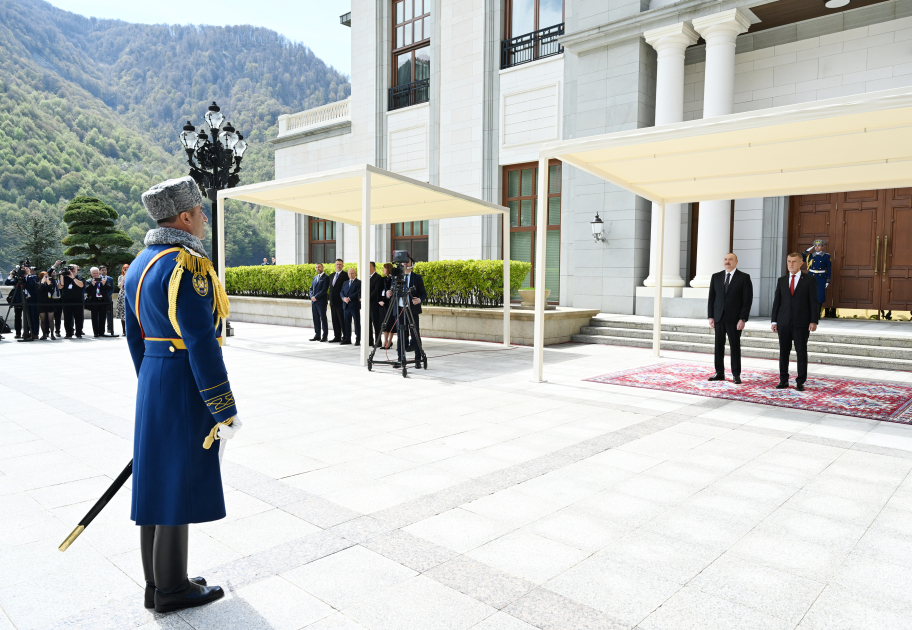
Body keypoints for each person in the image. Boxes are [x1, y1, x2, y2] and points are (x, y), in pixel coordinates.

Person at [125, 175, 239, 614]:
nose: (205, 219)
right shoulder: (186, 266)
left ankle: (159, 582)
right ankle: (172, 590)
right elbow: (202, 342)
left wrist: (151, 384)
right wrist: (223, 406)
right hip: (183, 382)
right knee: (179, 479)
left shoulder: (139, 264)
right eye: (201, 212)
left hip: (154, 381)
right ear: (186, 216)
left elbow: (134, 337)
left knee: (156, 479)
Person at [772, 253, 819, 391]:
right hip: (783, 322)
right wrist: (774, 321)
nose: (790, 264)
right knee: (783, 352)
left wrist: (813, 321)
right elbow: (777, 302)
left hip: (801, 322)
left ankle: (800, 381)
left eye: (794, 261)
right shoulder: (781, 280)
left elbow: (813, 302)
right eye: (788, 261)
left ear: (801, 263)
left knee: (801, 352)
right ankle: (783, 380)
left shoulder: (809, 280)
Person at [707, 253, 753, 384]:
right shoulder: (716, 277)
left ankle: (736, 374)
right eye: (726, 259)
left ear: (736, 262)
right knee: (718, 346)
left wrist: (743, 319)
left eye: (730, 259)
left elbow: (747, 300)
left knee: (734, 346)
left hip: (735, 320)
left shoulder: (744, 277)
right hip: (718, 318)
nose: (727, 262)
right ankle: (719, 373)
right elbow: (712, 298)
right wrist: (711, 316)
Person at [387, 262, 426, 363]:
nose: (404, 263)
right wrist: (388, 293)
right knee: (401, 335)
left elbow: (424, 294)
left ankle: (418, 359)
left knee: (415, 335)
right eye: (402, 262)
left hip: (412, 310)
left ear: (411, 264)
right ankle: (400, 358)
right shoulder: (396, 277)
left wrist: (419, 300)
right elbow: (390, 292)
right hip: (399, 309)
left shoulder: (416, 277)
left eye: (406, 261)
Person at [804, 239, 833, 318]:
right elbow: (801, 257)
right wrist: (806, 251)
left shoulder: (826, 256)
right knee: (809, 295)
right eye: (815, 246)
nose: (817, 247)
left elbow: (829, 268)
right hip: (811, 276)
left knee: (819, 296)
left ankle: (817, 314)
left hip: (821, 277)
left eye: (819, 245)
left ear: (822, 247)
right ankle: (809, 313)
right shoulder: (810, 255)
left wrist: (828, 280)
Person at [58, 264, 86, 338]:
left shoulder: (80, 277)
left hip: (78, 301)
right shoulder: (64, 277)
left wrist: (73, 278)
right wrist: (61, 276)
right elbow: (60, 286)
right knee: (67, 318)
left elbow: (81, 285)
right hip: (66, 301)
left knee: (79, 318)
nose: (72, 270)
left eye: (74, 268)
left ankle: (79, 333)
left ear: (77, 270)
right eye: (71, 268)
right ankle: (69, 333)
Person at [86, 267, 113, 337]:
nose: (95, 275)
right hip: (94, 301)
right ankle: (95, 332)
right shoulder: (89, 281)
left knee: (102, 317)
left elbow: (109, 288)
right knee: (94, 317)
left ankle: (101, 332)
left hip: (103, 301)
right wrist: (92, 284)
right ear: (91, 274)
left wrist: (104, 284)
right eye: (94, 273)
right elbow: (87, 290)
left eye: (97, 273)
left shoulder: (104, 280)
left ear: (99, 273)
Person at [5, 268, 31, 339]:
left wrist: (27, 274)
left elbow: (31, 284)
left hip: (26, 300)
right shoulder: (17, 280)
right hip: (17, 300)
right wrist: (11, 275)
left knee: (26, 317)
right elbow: (7, 283)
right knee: (17, 317)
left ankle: (26, 332)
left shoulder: (27, 278)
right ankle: (18, 333)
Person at [340, 267, 361, 346]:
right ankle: (347, 338)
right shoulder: (345, 282)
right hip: (346, 306)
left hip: (354, 306)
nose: (350, 275)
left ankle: (358, 339)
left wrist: (349, 298)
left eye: (352, 273)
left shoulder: (359, 282)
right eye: (349, 273)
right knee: (347, 323)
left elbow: (358, 292)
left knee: (356, 323)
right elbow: (341, 291)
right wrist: (343, 298)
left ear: (355, 273)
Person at [309, 263, 329, 342]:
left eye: (319, 267)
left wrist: (316, 297)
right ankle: (317, 335)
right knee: (316, 319)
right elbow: (311, 289)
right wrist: (311, 297)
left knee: (323, 319)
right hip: (314, 302)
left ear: (323, 268)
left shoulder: (326, 277)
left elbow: (324, 290)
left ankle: (324, 336)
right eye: (316, 267)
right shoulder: (315, 278)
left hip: (321, 302)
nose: (318, 268)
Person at [36, 271, 59, 340]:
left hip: (49, 303)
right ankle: (44, 334)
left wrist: (49, 284)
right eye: (45, 276)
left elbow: (52, 292)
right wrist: (43, 283)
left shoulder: (50, 283)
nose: (46, 277)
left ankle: (52, 334)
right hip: (41, 303)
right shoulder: (38, 283)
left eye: (47, 276)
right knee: (42, 320)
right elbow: (39, 290)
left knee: (51, 319)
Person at [328, 259, 346, 343]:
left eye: (340, 264)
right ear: (335, 265)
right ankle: (337, 336)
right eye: (337, 264)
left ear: (342, 265)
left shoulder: (345, 275)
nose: (338, 266)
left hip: (340, 302)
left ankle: (345, 336)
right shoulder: (331, 275)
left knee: (342, 320)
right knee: (334, 320)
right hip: (333, 302)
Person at [379, 263, 395, 349]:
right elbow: (379, 290)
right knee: (384, 323)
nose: (383, 270)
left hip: (390, 304)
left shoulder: (393, 279)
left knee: (390, 323)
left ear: (388, 269)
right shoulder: (382, 279)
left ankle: (389, 341)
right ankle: (385, 341)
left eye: (384, 268)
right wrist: (380, 301)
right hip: (383, 304)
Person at [368, 262, 384, 347]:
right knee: (368, 324)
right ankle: (370, 341)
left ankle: (378, 341)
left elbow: (376, 290)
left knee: (376, 324)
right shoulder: (366, 277)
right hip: (367, 305)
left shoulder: (378, 277)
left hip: (374, 304)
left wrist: (366, 298)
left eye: (369, 266)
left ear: (373, 268)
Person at [99, 265, 117, 336]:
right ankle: (100, 329)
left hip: (108, 298)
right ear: (100, 271)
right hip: (100, 298)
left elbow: (112, 288)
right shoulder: (98, 278)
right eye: (102, 270)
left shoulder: (110, 279)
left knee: (109, 314)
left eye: (105, 270)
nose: (104, 271)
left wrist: (108, 295)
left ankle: (110, 328)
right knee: (99, 314)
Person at [115, 264, 130, 336]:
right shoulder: (121, 277)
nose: (126, 270)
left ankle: (130, 330)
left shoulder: (132, 276)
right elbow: (120, 286)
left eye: (128, 269)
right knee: (122, 314)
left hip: (130, 294)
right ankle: (124, 331)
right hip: (122, 295)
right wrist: (124, 277)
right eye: (125, 269)